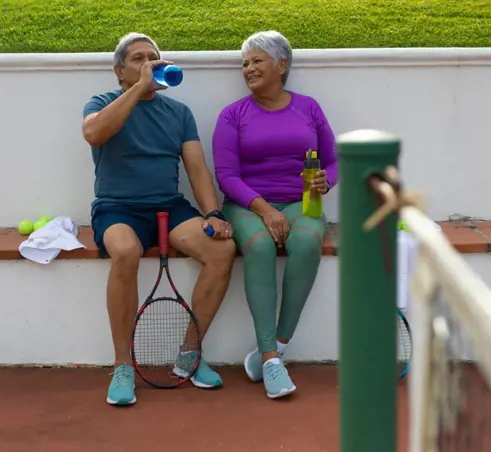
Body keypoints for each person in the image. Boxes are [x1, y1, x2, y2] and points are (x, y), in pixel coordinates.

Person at [82, 32, 237, 406]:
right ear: (119, 70)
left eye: (154, 57)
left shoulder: (179, 113)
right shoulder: (102, 102)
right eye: (138, 59)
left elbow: (197, 169)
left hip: (169, 205)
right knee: (124, 252)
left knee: (222, 250)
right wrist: (137, 90)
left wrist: (213, 212)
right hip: (117, 207)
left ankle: (189, 355)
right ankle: (123, 366)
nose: (150, 64)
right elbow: (94, 133)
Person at [212, 30, 338, 399]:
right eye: (245, 63)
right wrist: (264, 210)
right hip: (247, 204)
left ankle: (279, 345)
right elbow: (227, 176)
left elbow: (332, 161)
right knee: (261, 246)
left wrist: (325, 182)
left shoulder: (309, 108)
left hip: (301, 202)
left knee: (307, 240)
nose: (248, 69)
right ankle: (269, 359)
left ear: (281, 65)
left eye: (256, 61)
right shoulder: (233, 115)